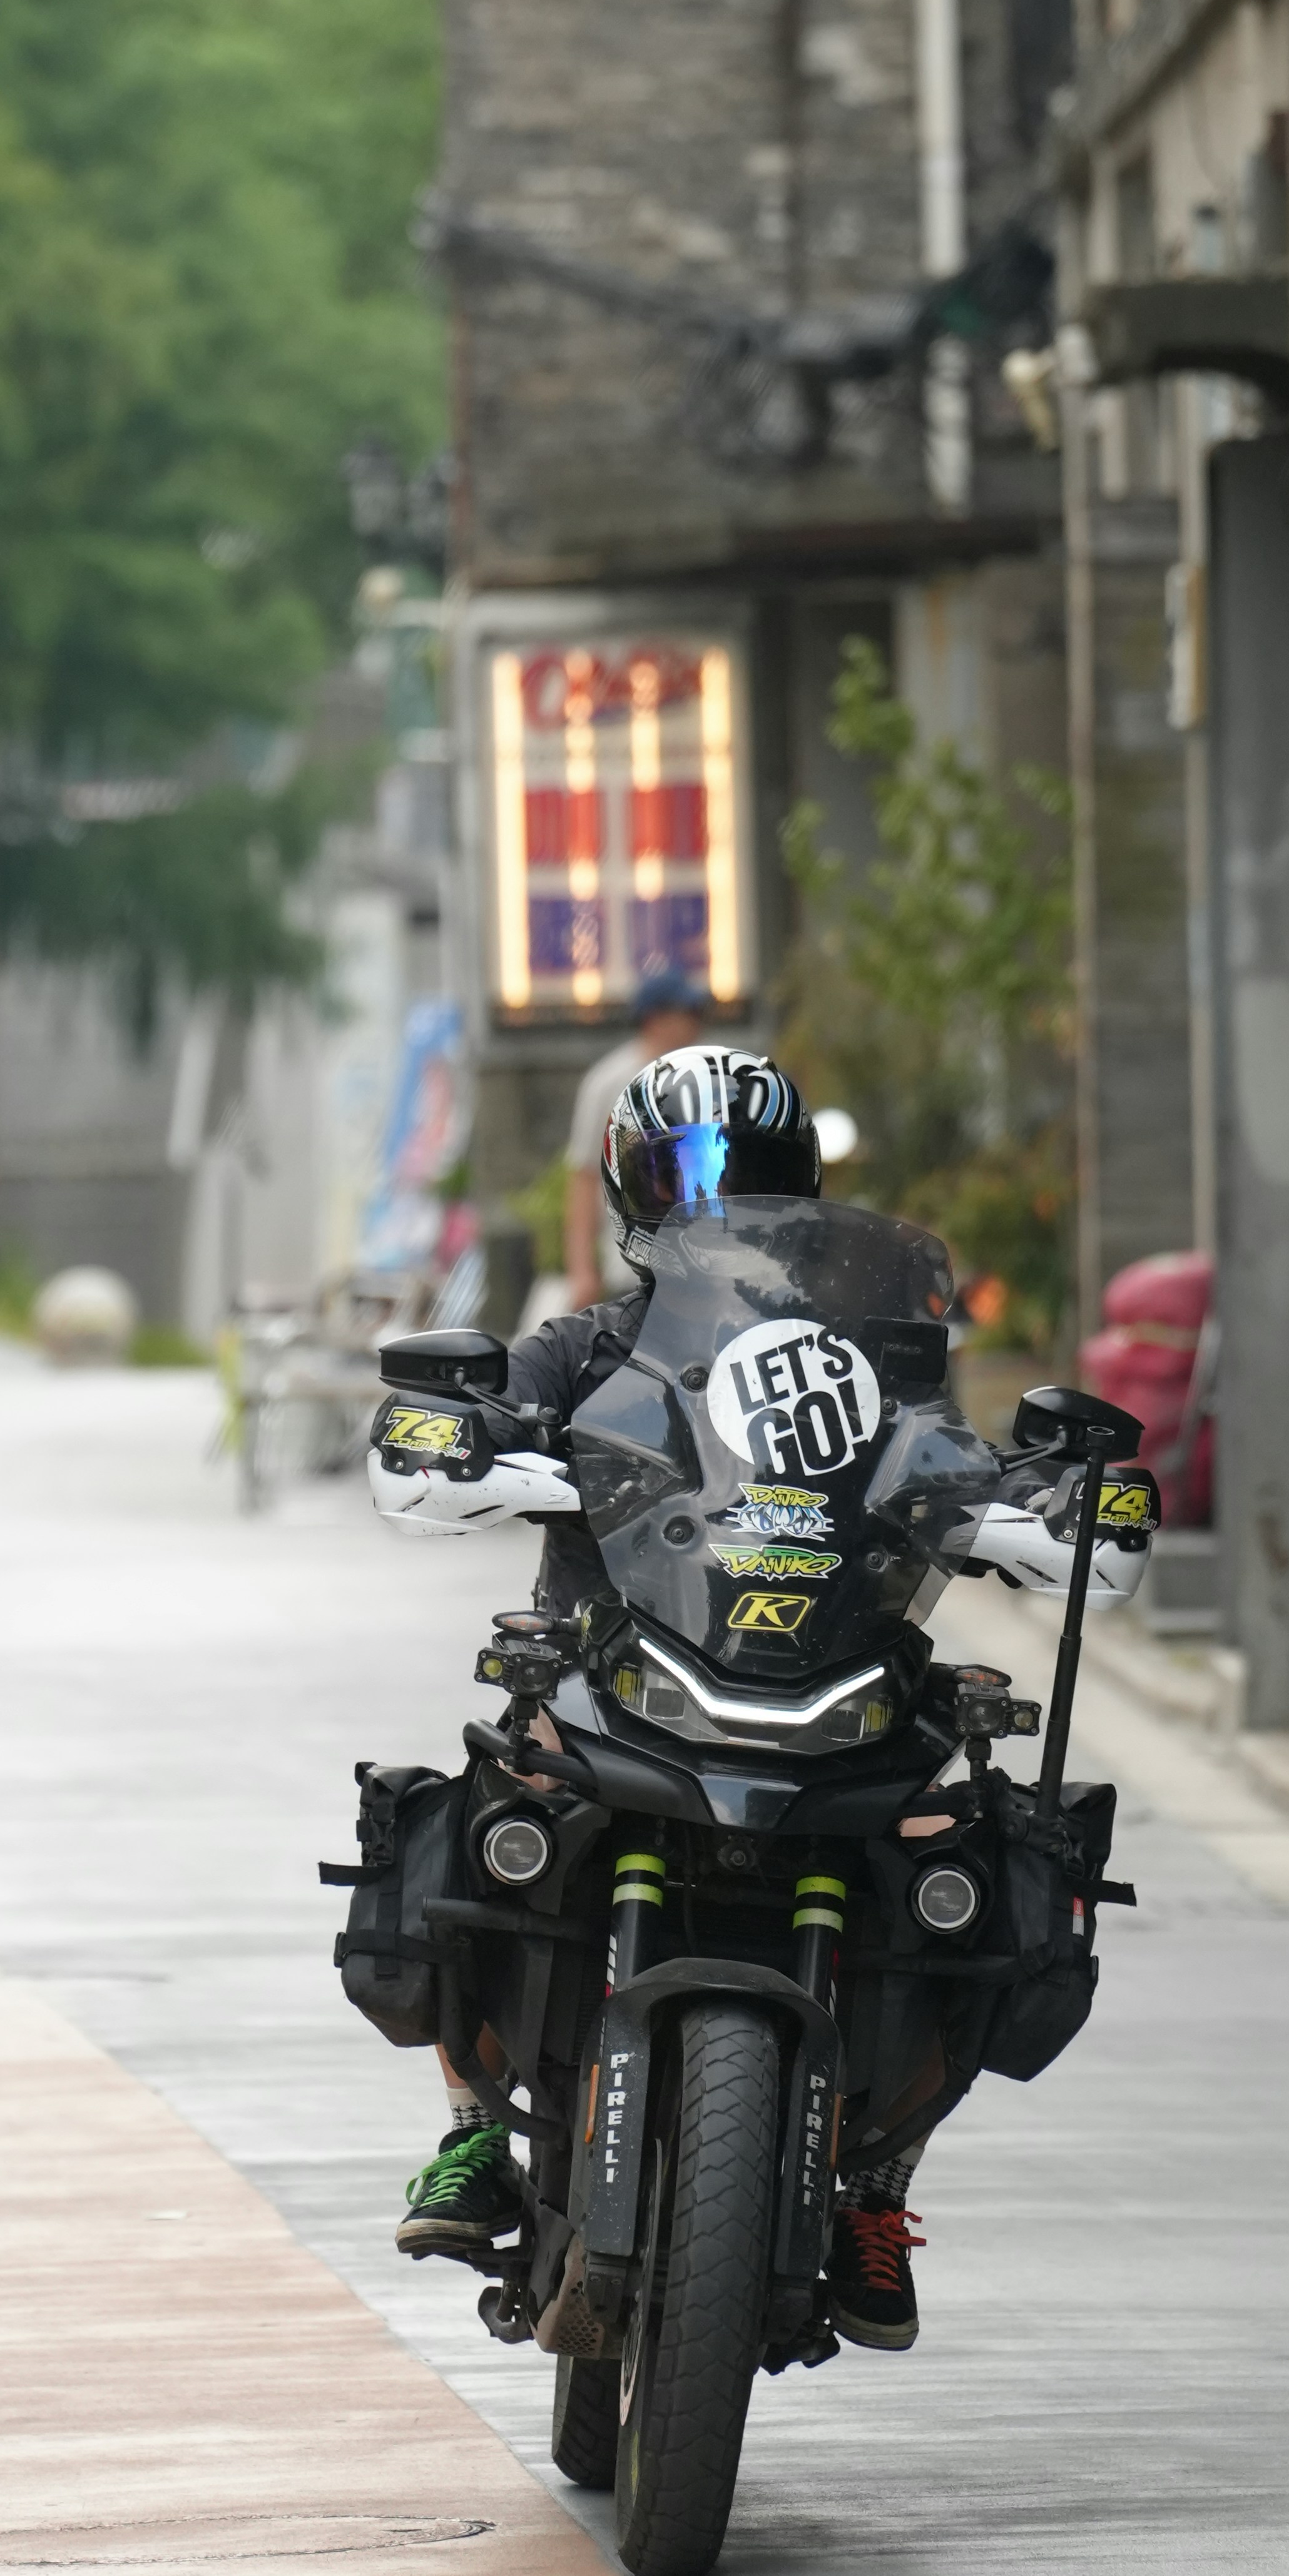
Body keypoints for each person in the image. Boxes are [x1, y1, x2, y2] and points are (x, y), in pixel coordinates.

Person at [392, 1052, 962, 2354]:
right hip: (612, 1674)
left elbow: (948, 1455)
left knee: (968, 1871)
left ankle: (876, 2186)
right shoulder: (582, 1343)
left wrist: (1039, 1495)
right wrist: (457, 1434)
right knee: (482, 1824)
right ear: (630, 1192)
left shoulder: (871, 1360)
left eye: (747, 1179)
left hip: (830, 1676)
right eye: (683, 1176)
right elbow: (481, 1417)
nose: (716, 1205)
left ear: (798, 1190)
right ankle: (478, 2132)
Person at [558, 968, 708, 1311]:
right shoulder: (608, 1083)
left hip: (704, 1267)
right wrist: (582, 1272)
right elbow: (584, 1178)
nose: (697, 1023)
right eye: (688, 1014)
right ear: (655, 1020)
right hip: (632, 1270)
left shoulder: (709, 1078)